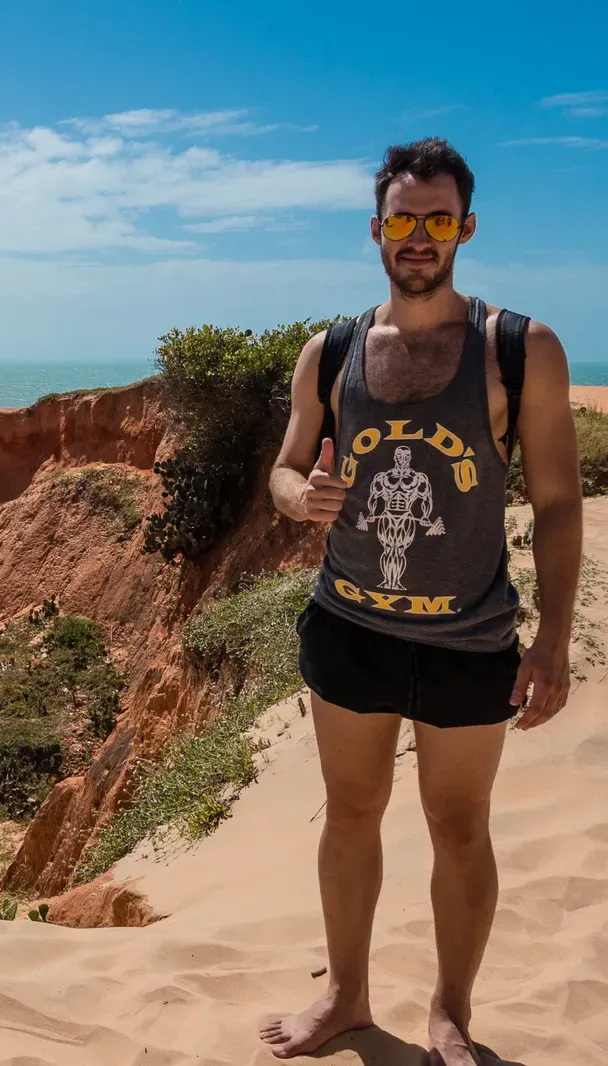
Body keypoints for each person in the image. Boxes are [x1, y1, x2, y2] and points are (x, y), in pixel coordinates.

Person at [262, 139, 582, 1063]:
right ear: (376, 229)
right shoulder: (330, 352)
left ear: (466, 229)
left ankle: (450, 1014)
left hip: (469, 638)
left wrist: (552, 642)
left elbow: (559, 503)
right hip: (348, 625)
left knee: (458, 825)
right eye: (403, 219)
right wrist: (299, 498)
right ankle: (349, 998)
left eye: (438, 220)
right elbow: (286, 468)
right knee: (350, 811)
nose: (419, 236)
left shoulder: (520, 350)